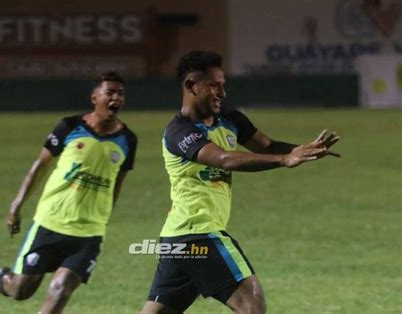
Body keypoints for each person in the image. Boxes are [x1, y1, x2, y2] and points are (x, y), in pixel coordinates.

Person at [141, 51, 340, 314]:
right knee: (252, 306)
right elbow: (224, 159)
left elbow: (268, 145)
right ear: (191, 86)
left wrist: (302, 150)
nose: (221, 93)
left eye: (223, 85)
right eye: (214, 85)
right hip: (198, 233)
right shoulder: (179, 132)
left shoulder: (230, 119)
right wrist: (284, 160)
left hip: (176, 239)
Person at [0, 71, 137, 313]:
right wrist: (16, 206)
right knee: (22, 290)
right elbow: (39, 166)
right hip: (50, 222)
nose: (116, 98)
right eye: (110, 92)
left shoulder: (128, 140)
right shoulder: (70, 127)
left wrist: (104, 217)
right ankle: (4, 280)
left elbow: (117, 183)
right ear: (95, 97)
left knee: (60, 288)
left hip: (89, 231)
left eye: (121, 93)